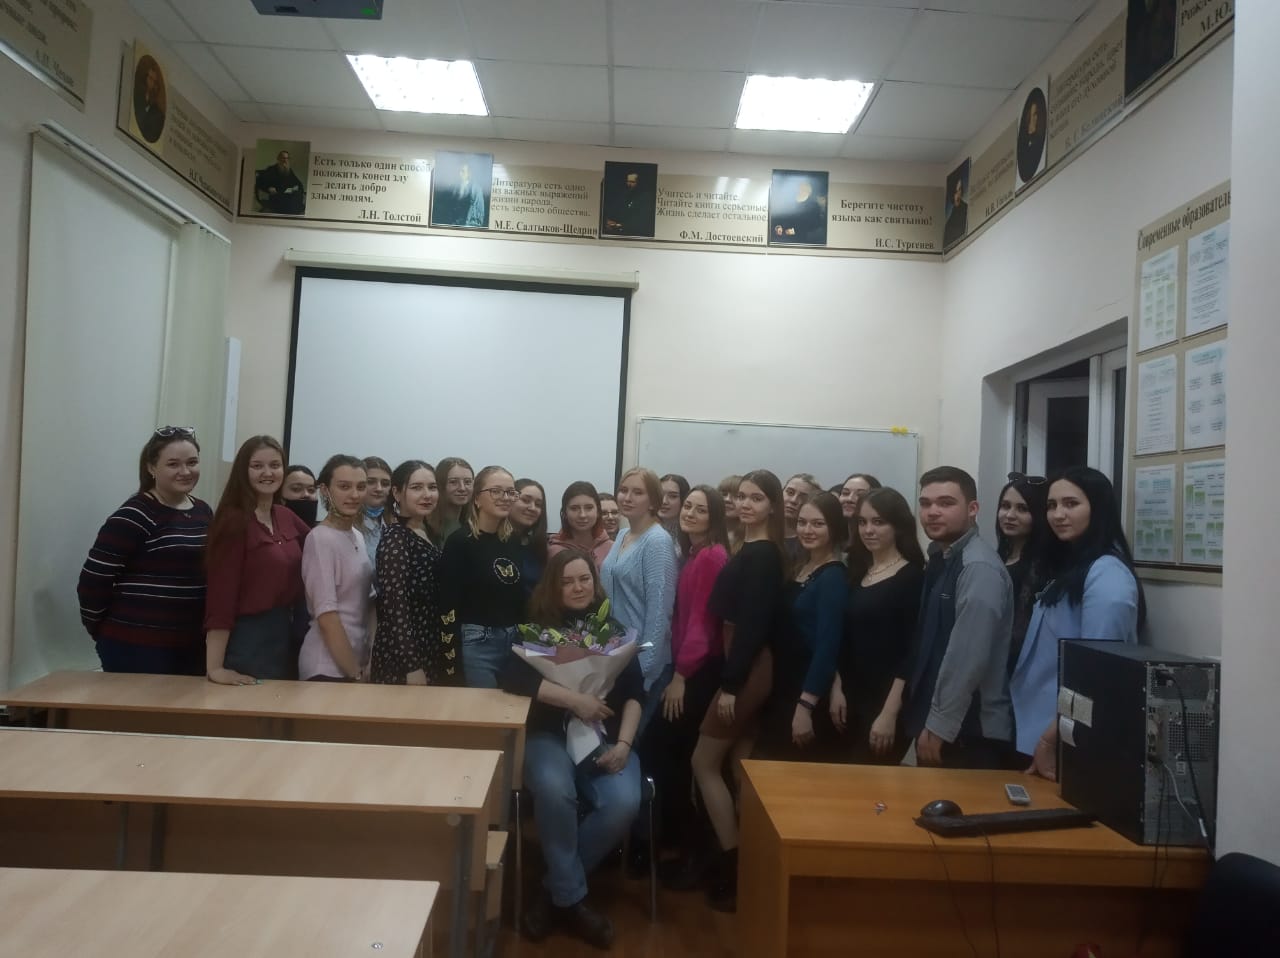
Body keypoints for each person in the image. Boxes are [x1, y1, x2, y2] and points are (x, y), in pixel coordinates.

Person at [501, 549, 643, 950]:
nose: (577, 588)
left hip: (606, 738)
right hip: (547, 736)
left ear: (595, 585)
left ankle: (554, 892)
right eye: (567, 581)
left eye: (584, 579)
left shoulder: (614, 631)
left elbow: (637, 694)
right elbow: (513, 678)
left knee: (624, 802)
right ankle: (573, 901)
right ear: (553, 586)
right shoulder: (534, 630)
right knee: (554, 789)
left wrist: (625, 745)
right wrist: (575, 700)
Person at [691, 469, 786, 912]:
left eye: (757, 498)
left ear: (772, 506)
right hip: (741, 663)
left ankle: (734, 866)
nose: (746, 504)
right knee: (739, 765)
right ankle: (751, 864)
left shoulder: (763, 554)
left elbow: (754, 625)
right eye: (742, 496)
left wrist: (731, 685)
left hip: (747, 669)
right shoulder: (747, 547)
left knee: (703, 762)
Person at [1013, 467, 1144, 780]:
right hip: (1041, 729)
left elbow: (1097, 673)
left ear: (1097, 509)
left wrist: (1051, 738)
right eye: (1052, 505)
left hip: (1067, 737)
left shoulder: (1107, 575)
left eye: (1071, 504)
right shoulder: (1072, 565)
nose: (1058, 514)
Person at [900, 466, 1014, 770]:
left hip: (967, 732)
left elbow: (968, 656)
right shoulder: (942, 557)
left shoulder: (978, 567)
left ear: (973, 509)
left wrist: (940, 725)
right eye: (925, 503)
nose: (932, 512)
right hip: (941, 722)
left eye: (946, 503)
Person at [78, 426, 211, 675]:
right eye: (173, 464)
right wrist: (101, 630)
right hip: (136, 646)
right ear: (151, 468)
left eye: (192, 462)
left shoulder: (203, 511)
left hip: (191, 644)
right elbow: (93, 581)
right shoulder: (134, 515)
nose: (185, 471)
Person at [649, 485, 730, 886]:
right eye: (689, 507)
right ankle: (685, 847)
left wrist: (681, 675)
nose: (690, 513)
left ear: (714, 517)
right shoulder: (694, 553)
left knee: (675, 758)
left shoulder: (712, 556)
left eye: (701, 509)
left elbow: (702, 623)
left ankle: (694, 852)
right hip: (688, 668)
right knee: (673, 758)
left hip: (697, 672)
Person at [204, 436, 310, 684]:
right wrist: (215, 668)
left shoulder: (285, 516)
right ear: (243, 471)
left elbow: (320, 546)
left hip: (287, 634)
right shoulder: (233, 522)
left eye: (275, 465)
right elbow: (221, 597)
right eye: (257, 466)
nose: (268, 473)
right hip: (248, 640)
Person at [832, 487, 926, 765]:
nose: (868, 530)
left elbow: (911, 652)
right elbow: (844, 640)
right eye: (862, 522)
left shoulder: (912, 577)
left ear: (898, 526)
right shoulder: (857, 572)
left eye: (878, 522)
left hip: (887, 702)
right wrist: (836, 688)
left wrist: (889, 713)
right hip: (849, 698)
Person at [759, 492, 847, 761]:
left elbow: (828, 646)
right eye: (802, 522)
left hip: (805, 691)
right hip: (783, 683)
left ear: (834, 527)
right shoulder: (801, 565)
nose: (807, 530)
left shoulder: (833, 576)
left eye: (818, 524)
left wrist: (806, 705)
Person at [599, 468, 677, 737]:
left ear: (653, 501)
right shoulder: (622, 534)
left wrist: (644, 673)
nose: (627, 497)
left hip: (643, 665)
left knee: (625, 744)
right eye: (623, 490)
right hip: (616, 659)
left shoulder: (658, 541)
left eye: (637, 492)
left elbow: (660, 613)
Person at [439, 465, 529, 688]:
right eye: (496, 491)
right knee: (484, 707)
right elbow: (447, 605)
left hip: (513, 640)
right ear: (477, 499)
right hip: (477, 644)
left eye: (510, 492)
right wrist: (450, 662)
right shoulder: (460, 542)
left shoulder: (513, 540)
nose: (505, 498)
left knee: (512, 706)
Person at [371, 460, 456, 685]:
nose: (427, 495)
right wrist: (411, 665)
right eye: (417, 487)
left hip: (429, 645)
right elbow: (394, 606)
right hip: (402, 657)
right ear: (397, 493)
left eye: (432, 487)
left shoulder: (426, 532)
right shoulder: (396, 538)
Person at [298, 455, 374, 682]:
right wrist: (355, 674)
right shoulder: (320, 538)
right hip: (326, 666)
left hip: (357, 661)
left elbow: (368, 603)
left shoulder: (357, 535)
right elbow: (327, 616)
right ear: (324, 490)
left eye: (361, 487)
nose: (354, 495)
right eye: (344, 486)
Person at [995, 472, 1050, 675]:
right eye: (1005, 506)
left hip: (1019, 669)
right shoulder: (998, 556)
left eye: (1022, 509)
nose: (1010, 515)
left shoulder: (1042, 566)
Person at [547, 481, 612, 571]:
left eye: (589, 508)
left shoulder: (612, 548)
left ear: (598, 511)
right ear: (565, 513)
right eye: (574, 508)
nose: (582, 515)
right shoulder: (554, 552)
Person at [511, 478, 548, 590]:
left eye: (538, 504)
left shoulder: (539, 547)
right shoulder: (491, 541)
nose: (532, 508)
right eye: (526, 500)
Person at [770, 175, 827, 245]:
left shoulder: (814, 206)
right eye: (798, 187)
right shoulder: (789, 203)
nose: (798, 190)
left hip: (803, 241)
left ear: (808, 190)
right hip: (784, 239)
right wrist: (779, 227)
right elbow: (781, 219)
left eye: (802, 188)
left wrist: (795, 231)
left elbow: (815, 226)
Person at [782, 472, 822, 565]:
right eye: (790, 493)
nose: (794, 500)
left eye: (803, 497)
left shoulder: (810, 541)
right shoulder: (763, 530)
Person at [602, 168, 656, 237]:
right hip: (619, 230)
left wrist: (619, 225)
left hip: (634, 233)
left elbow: (641, 221)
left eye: (632, 182)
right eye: (628, 181)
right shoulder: (625, 194)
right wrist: (608, 221)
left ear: (639, 183)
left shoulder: (646, 197)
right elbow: (614, 211)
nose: (629, 184)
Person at [431, 456, 473, 543]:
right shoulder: (427, 527)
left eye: (467, 482)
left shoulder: (474, 526)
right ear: (440, 485)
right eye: (453, 482)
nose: (462, 488)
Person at [359, 456, 393, 559]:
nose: (379, 488)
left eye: (385, 484)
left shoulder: (395, 523)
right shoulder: (346, 526)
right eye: (370, 482)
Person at [255, 150, 306, 215]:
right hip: (277, 196)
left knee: (297, 193)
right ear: (278, 159)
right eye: (283, 158)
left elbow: (298, 183)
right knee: (291, 201)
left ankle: (293, 211)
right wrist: (268, 188)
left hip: (287, 194)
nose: (285, 160)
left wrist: (297, 187)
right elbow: (260, 182)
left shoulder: (289, 170)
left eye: (287, 158)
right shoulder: (271, 169)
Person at [837, 472, 882, 544]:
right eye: (845, 493)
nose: (849, 499)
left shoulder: (875, 540)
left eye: (860, 495)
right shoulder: (834, 538)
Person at [1016, 88, 1048, 185]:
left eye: (1035, 115)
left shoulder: (1037, 147)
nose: (1033, 120)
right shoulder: (1026, 150)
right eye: (1031, 116)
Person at [131, 56, 165, 144]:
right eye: (150, 78)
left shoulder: (154, 105)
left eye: (154, 80)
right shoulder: (138, 95)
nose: (151, 82)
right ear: (146, 77)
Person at [658, 473, 690, 538]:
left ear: (684, 499)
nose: (664, 501)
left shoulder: (691, 535)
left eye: (673, 496)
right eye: (660, 494)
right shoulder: (643, 529)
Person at [943, 171, 968, 247]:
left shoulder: (966, 209)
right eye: (955, 192)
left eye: (959, 189)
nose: (958, 195)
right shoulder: (951, 217)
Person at [718, 474, 742, 552]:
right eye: (724, 494)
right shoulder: (706, 530)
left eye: (736, 495)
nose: (727, 499)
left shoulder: (750, 540)